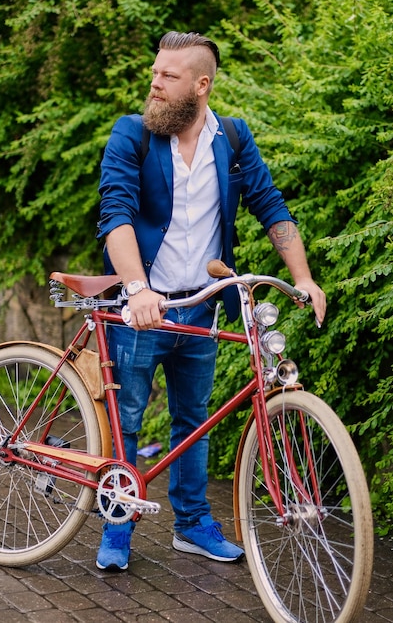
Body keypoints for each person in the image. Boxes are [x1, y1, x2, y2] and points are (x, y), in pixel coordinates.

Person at [96, 30, 326, 572]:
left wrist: (305, 278)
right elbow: (116, 214)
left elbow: (271, 207)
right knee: (127, 419)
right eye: (154, 73)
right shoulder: (132, 135)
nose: (154, 84)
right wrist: (136, 289)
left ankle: (193, 523)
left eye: (167, 77)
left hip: (198, 304)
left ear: (201, 85)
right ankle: (118, 523)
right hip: (140, 310)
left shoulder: (235, 139)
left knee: (193, 420)